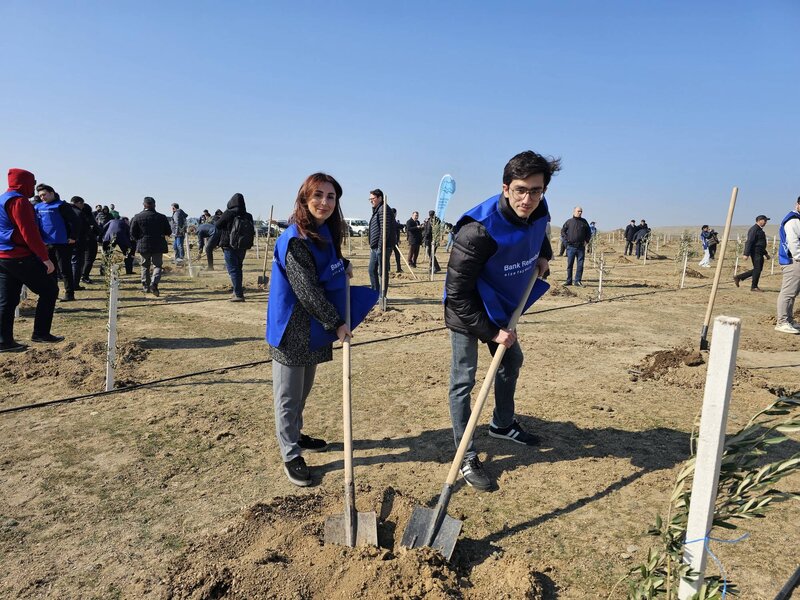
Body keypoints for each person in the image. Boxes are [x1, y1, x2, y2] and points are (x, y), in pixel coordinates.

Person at [445, 150, 558, 491]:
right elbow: (457, 295)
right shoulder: (477, 231)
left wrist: (543, 256)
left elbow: (540, 233)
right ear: (506, 188)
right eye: (521, 190)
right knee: (464, 380)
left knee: (512, 361)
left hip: (505, 306)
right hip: (469, 311)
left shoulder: (539, 208)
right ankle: (465, 454)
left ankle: (502, 424)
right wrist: (492, 332)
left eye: (536, 191)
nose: (528, 199)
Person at [266, 172, 377, 486]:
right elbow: (308, 291)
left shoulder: (325, 233)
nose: (325, 202)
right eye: (318, 195)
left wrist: (343, 265)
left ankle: (296, 435)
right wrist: (338, 324)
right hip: (291, 328)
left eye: (331, 197)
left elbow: (329, 266)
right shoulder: (295, 240)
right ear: (304, 198)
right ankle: (290, 454)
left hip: (313, 329)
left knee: (302, 391)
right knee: (287, 396)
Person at [0, 168, 62, 351]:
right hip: (20, 256)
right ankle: (41, 333)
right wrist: (44, 258)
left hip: (3, 257)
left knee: (7, 300)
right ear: (23, 182)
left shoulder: (2, 199)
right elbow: (29, 232)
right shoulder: (19, 202)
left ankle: (4, 341)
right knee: (50, 290)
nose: (34, 188)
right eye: (32, 183)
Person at [34, 184, 81, 301]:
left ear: (52, 193)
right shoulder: (37, 207)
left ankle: (69, 293)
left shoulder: (62, 206)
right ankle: (53, 293)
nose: (42, 197)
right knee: (50, 269)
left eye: (44, 194)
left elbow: (74, 221)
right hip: (46, 243)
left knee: (64, 268)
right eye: (40, 196)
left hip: (62, 242)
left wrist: (73, 236)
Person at [215, 193, 254, 301]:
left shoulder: (229, 213)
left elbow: (217, 225)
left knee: (233, 270)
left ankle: (238, 294)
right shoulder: (248, 215)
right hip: (243, 246)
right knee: (238, 268)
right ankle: (237, 291)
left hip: (229, 245)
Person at [129, 197, 171, 296]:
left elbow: (132, 232)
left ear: (144, 205)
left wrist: (138, 240)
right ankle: (154, 283)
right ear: (154, 204)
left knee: (144, 266)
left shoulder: (137, 217)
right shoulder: (161, 217)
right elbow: (168, 231)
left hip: (143, 244)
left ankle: (145, 285)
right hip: (158, 244)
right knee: (157, 266)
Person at [775, 196, 800, 334]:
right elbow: (793, 242)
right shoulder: (793, 220)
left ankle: (789, 320)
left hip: (795, 260)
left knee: (793, 293)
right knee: (788, 292)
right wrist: (798, 257)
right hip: (793, 261)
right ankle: (782, 321)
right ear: (797, 204)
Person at [367, 188, 396, 293]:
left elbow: (385, 230)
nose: (371, 201)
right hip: (375, 247)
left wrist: (380, 247)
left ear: (380, 198)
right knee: (371, 270)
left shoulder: (384, 209)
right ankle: (375, 293)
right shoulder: (377, 209)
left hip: (383, 246)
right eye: (369, 199)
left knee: (382, 272)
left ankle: (382, 296)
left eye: (373, 198)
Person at [734, 215, 770, 292]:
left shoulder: (759, 230)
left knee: (758, 269)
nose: (766, 222)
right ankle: (754, 286)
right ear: (760, 220)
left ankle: (739, 277)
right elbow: (749, 241)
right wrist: (746, 253)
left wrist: (766, 253)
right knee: (757, 269)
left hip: (760, 252)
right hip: (755, 252)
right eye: (765, 220)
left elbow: (760, 243)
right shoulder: (754, 229)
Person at [561, 206, 591, 286]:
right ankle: (569, 281)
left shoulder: (584, 222)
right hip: (571, 247)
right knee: (570, 265)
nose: (580, 213)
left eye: (581, 211)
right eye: (578, 211)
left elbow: (589, 232)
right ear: (574, 212)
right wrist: (566, 243)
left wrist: (587, 241)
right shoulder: (569, 222)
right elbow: (563, 231)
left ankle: (577, 281)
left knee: (580, 265)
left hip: (581, 247)